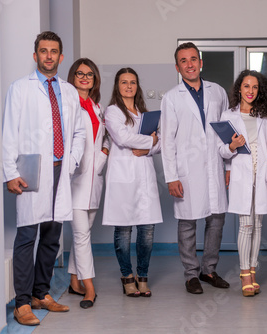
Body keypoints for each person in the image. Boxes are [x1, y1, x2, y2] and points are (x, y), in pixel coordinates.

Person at [2, 31, 85, 325]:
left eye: (54, 51)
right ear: (35, 55)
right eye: (43, 51)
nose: (48, 56)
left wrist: (72, 160)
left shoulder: (70, 91)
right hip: (32, 170)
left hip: (61, 169)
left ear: (61, 57)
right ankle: (22, 303)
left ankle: (41, 292)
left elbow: (78, 132)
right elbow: (9, 132)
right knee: (27, 235)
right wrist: (11, 173)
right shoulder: (19, 89)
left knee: (52, 235)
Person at [161, 42, 230, 294]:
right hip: (186, 169)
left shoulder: (218, 92)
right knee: (188, 222)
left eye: (193, 59)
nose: (189, 64)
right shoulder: (171, 98)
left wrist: (229, 165)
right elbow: (167, 141)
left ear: (201, 62)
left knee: (217, 220)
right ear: (177, 67)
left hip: (215, 164)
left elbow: (227, 132)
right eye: (183, 60)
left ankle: (209, 269)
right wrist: (171, 177)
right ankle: (191, 274)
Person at [218, 70, 267, 296]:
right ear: (239, 89)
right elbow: (221, 150)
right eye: (246, 86)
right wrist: (233, 146)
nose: (250, 91)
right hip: (242, 174)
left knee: (258, 225)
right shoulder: (229, 115)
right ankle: (245, 273)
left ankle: (253, 270)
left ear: (260, 90)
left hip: (263, 173)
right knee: (245, 225)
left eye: (255, 87)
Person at [102, 68, 162, 297]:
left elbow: (160, 144)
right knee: (124, 230)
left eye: (133, 82)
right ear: (117, 86)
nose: (129, 86)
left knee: (147, 230)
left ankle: (143, 276)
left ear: (137, 86)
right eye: (124, 82)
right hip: (123, 178)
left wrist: (147, 147)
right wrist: (150, 141)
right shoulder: (113, 111)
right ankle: (127, 276)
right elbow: (122, 138)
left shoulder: (144, 112)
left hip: (145, 176)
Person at [66, 58, 109, 308]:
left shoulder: (97, 107)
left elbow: (105, 139)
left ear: (95, 80)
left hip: (95, 180)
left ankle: (74, 281)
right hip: (74, 180)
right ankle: (89, 288)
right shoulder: (68, 105)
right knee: (81, 235)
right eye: (80, 73)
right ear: (72, 77)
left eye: (89, 74)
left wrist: (105, 152)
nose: (84, 78)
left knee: (84, 234)